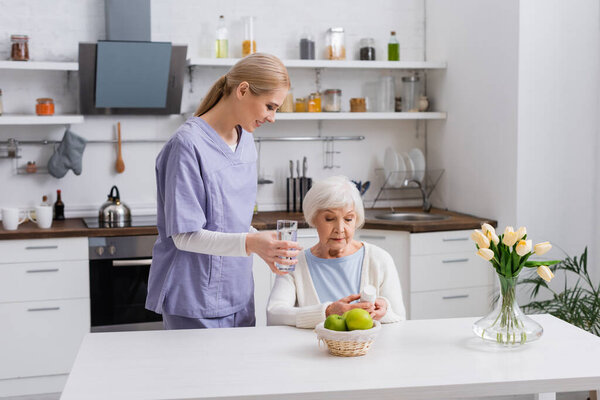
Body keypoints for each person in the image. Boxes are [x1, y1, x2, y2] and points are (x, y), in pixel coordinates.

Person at [146, 53, 300, 330]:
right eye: (270, 106)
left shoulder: (247, 140)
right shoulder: (187, 145)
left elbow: (229, 221)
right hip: (194, 298)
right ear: (242, 90)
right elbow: (184, 235)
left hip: (238, 294)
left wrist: (264, 242)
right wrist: (252, 244)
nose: (272, 117)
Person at [267, 175, 406, 328]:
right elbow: (274, 314)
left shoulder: (379, 259)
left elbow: (400, 320)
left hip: (368, 351)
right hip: (312, 351)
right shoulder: (294, 263)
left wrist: (385, 311)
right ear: (313, 218)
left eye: (348, 219)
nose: (340, 229)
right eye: (329, 219)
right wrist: (327, 312)